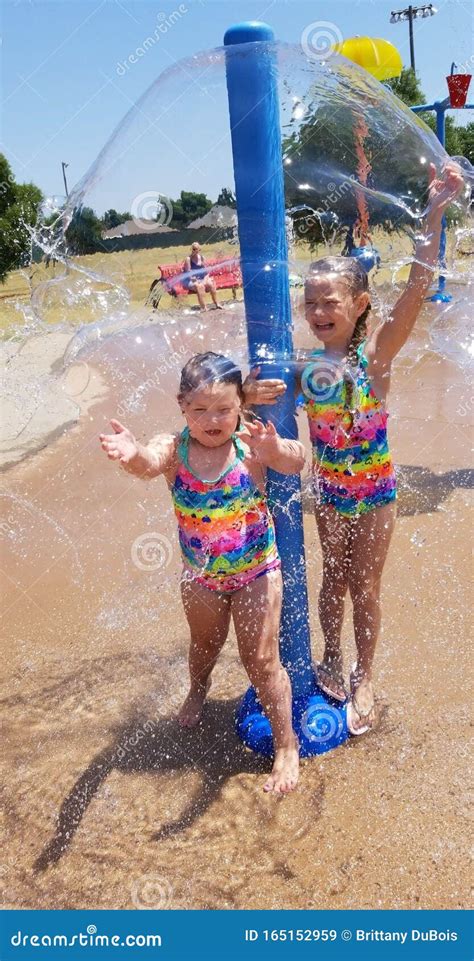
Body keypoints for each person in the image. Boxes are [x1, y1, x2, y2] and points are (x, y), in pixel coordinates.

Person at [244, 161, 463, 736]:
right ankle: (331, 658)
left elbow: (419, 284)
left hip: (378, 492)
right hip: (333, 494)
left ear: (359, 303)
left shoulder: (377, 357)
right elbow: (251, 401)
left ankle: (365, 676)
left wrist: (435, 209)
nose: (318, 313)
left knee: (366, 586)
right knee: (332, 582)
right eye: (310, 303)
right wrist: (246, 391)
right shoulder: (306, 369)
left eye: (329, 302)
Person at [99, 352, 306, 794]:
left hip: (256, 572)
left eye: (223, 410)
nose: (212, 419)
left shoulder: (250, 443)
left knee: (262, 660)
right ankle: (199, 687)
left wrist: (276, 449)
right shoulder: (174, 448)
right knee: (204, 645)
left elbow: (297, 459)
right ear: (181, 407)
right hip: (202, 577)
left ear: (240, 406)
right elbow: (147, 464)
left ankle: (286, 745)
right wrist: (132, 453)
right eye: (199, 410)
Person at [183, 242, 223, 310]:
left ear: (199, 250)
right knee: (199, 286)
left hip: (201, 279)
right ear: (191, 249)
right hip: (190, 280)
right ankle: (204, 307)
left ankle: (217, 304)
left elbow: (207, 272)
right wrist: (195, 280)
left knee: (211, 284)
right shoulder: (188, 259)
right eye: (193, 249)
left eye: (196, 249)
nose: (194, 250)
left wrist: (204, 281)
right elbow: (188, 273)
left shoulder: (202, 258)